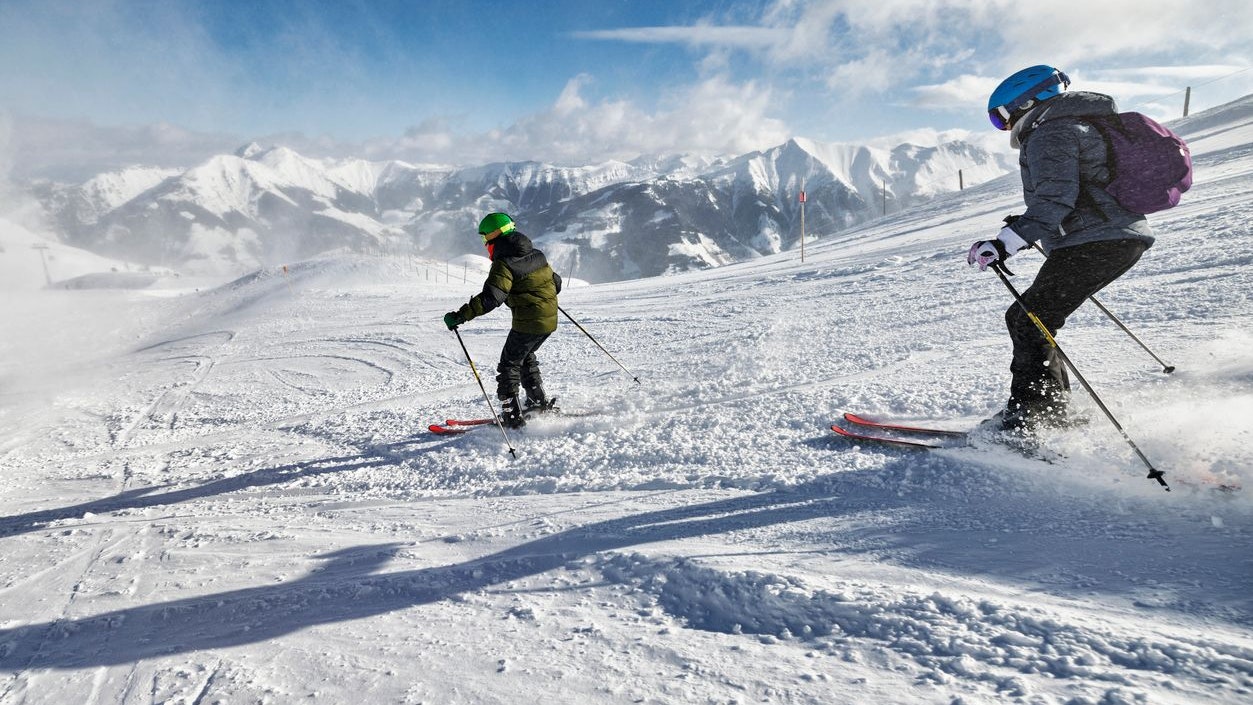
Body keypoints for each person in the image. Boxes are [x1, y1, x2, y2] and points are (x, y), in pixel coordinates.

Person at [967, 65, 1155, 433]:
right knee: (1034, 318)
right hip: (1113, 236)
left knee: (1027, 319)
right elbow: (1073, 194)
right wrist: (1025, 226)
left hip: (1098, 241)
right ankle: (1049, 412)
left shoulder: (1051, 132)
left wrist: (1007, 243)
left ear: (1027, 102)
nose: (1003, 127)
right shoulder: (1074, 125)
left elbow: (1055, 199)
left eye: (1001, 116)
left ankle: (1033, 421)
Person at [443, 213, 562, 428]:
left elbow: (491, 298)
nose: (485, 244)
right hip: (549, 320)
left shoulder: (504, 263)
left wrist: (460, 316)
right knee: (524, 356)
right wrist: (538, 292)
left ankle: (512, 416)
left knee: (509, 365)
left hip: (529, 322)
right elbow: (557, 283)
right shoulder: (536, 254)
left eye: (484, 238)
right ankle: (537, 401)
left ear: (494, 235)